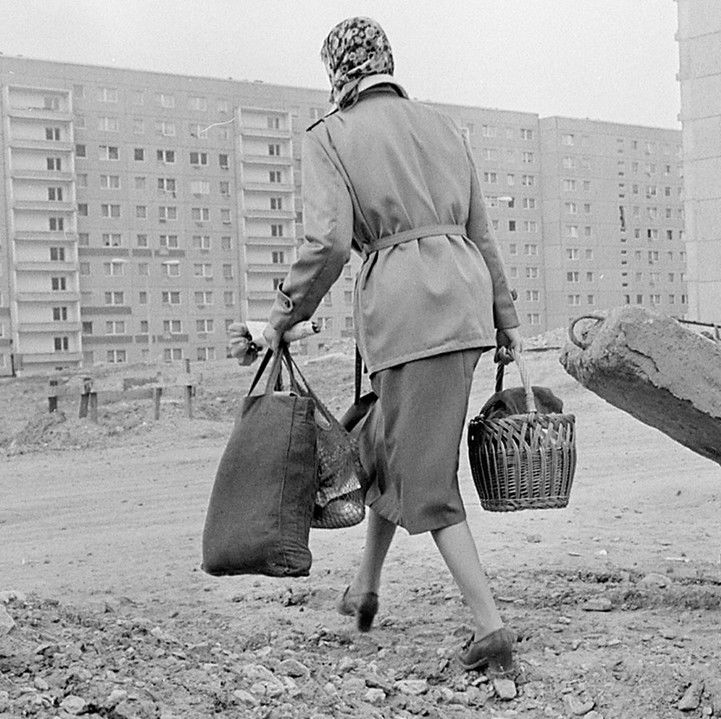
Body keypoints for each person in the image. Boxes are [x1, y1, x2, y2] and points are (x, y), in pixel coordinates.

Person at [229, 17, 520, 675]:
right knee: (386, 448)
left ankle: (491, 627)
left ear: (338, 74)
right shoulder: (446, 129)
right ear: (387, 63)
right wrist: (506, 323)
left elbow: (329, 243)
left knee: (424, 477)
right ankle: (365, 588)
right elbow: (483, 234)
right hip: (464, 306)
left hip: (408, 318)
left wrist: (279, 319)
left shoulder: (331, 135)